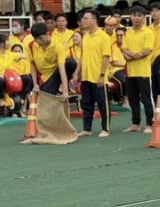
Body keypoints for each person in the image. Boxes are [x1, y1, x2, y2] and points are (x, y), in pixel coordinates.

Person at [72, 10, 112, 138]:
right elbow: (82, 57)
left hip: (98, 77)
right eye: (83, 19)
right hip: (86, 76)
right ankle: (87, 128)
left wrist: (101, 75)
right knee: (87, 104)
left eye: (85, 18)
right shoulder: (85, 37)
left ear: (94, 20)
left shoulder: (104, 37)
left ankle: (105, 128)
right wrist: (76, 73)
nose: (83, 21)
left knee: (102, 104)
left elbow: (106, 57)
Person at [122, 6, 155, 133]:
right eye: (134, 15)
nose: (136, 18)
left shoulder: (148, 32)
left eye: (139, 15)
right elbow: (124, 49)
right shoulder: (127, 32)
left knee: (146, 98)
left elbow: (148, 49)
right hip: (130, 71)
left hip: (144, 71)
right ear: (130, 17)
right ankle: (135, 123)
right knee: (133, 98)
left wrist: (136, 55)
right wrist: (131, 56)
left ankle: (150, 124)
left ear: (144, 17)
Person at [26, 23, 74, 98]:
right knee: (46, 96)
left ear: (47, 34)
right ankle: (55, 87)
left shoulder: (58, 46)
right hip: (44, 76)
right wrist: (35, 84)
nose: (38, 41)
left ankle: (62, 85)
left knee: (71, 62)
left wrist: (65, 91)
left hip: (56, 71)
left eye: (40, 38)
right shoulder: (31, 45)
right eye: (35, 39)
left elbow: (62, 69)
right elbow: (32, 65)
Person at [109, 27, 128, 107]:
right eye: (117, 35)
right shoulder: (112, 45)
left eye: (121, 35)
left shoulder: (129, 44)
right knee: (124, 81)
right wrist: (126, 65)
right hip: (115, 69)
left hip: (128, 68)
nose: (119, 37)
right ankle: (125, 100)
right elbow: (114, 63)